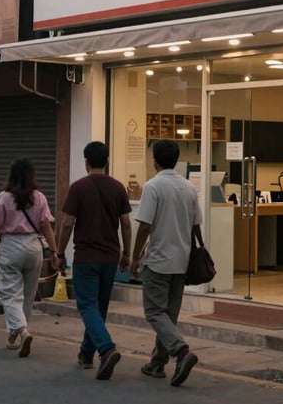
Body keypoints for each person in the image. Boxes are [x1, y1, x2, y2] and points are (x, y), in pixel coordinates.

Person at [52, 141, 131, 380]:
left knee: (86, 305)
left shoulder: (78, 188)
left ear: (86, 161)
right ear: (107, 160)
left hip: (86, 257)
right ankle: (86, 353)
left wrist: (58, 253)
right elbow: (126, 224)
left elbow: (67, 223)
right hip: (110, 257)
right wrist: (127, 253)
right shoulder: (118, 188)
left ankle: (106, 349)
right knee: (99, 308)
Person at [130, 138, 201, 387]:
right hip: (182, 260)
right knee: (168, 315)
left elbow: (145, 226)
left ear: (155, 161)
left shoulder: (153, 186)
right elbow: (196, 225)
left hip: (159, 259)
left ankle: (181, 352)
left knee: (154, 312)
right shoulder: (189, 187)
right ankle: (157, 363)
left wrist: (135, 256)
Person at [0, 158, 57, 357]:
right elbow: (47, 227)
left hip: (11, 246)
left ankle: (23, 332)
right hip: (34, 247)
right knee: (27, 295)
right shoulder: (40, 197)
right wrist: (55, 251)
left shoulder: (4, 197)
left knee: (9, 294)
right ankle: (13, 336)